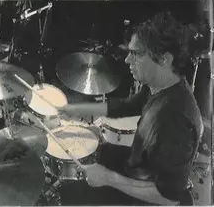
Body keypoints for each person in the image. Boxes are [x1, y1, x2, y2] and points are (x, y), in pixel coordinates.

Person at [59, 11, 203, 206]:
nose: (127, 60)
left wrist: (108, 178)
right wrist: (79, 109)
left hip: (149, 198)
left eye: (136, 54)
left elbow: (169, 197)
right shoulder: (160, 86)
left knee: (69, 194)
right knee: (95, 149)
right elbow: (127, 106)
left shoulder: (175, 119)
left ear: (165, 59)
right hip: (140, 165)